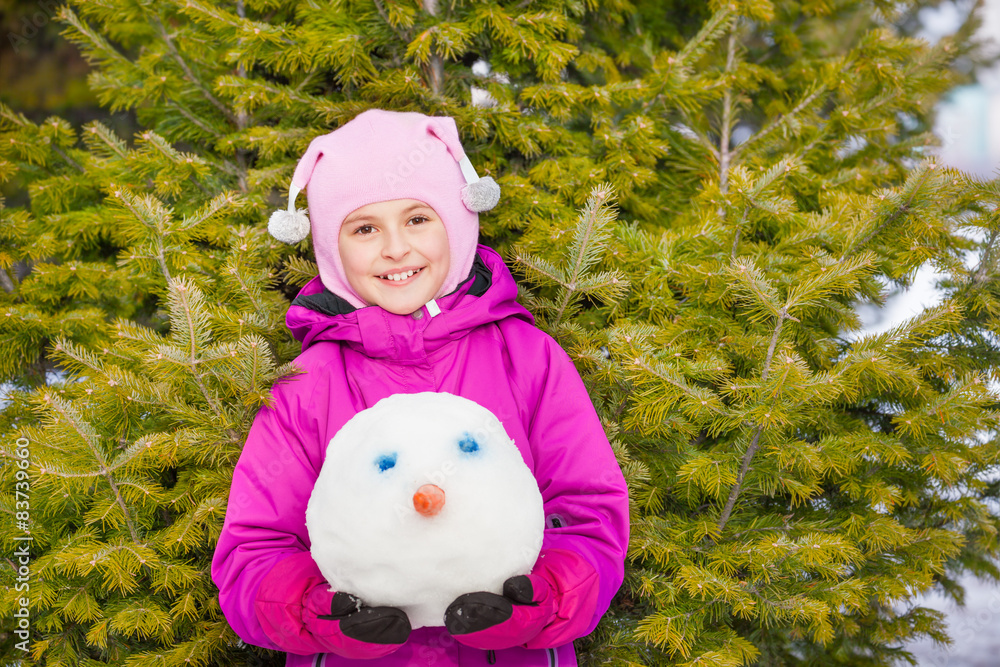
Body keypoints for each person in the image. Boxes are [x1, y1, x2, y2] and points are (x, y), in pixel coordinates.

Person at [211, 109, 630, 667]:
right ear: (332, 249)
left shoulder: (526, 359)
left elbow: (588, 512)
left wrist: (543, 599)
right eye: (364, 228)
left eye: (417, 219)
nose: (395, 249)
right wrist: (318, 611)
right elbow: (253, 549)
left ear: (457, 221)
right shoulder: (308, 386)